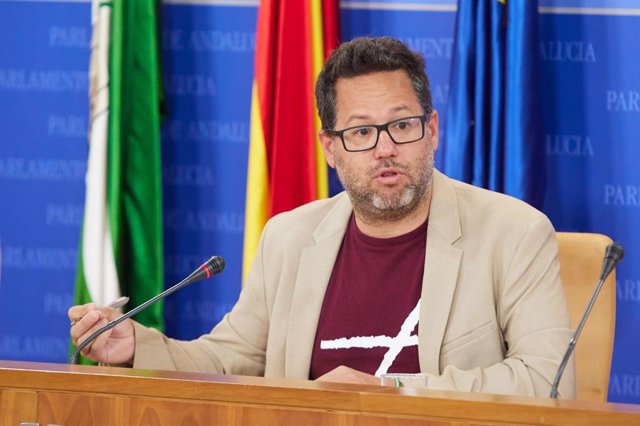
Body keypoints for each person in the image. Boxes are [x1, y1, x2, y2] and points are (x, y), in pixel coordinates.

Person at [69, 36, 575, 398]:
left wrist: (389, 388)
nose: (386, 149)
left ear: (433, 129)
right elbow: (232, 359)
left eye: (403, 125)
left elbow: (545, 379)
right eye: (360, 133)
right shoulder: (290, 237)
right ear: (330, 148)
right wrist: (138, 345)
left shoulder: (514, 233)